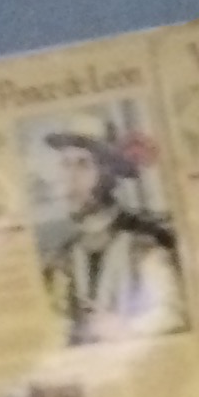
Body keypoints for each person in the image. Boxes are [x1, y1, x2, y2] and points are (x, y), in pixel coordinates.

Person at [40, 128, 186, 347]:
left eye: (82, 164)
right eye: (65, 164)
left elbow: (174, 312)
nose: (70, 177)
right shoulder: (66, 254)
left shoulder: (146, 238)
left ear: (108, 175)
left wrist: (128, 328)